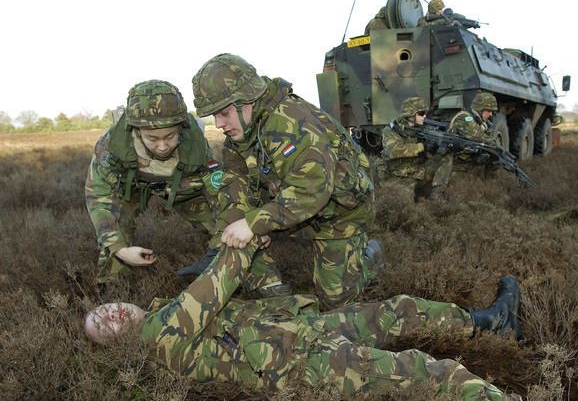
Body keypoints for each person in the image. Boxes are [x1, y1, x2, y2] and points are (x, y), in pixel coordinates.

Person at [84, 239, 523, 400]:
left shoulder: (163, 311)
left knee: (397, 310)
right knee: (428, 373)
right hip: (303, 363)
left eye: (104, 309)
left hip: (303, 332)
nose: (111, 314)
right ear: (119, 344)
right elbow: (219, 281)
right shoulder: (162, 333)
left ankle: (490, 322)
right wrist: (244, 236)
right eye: (104, 326)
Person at [191, 53, 379, 309]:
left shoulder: (290, 122)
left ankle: (368, 256)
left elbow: (311, 190)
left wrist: (255, 223)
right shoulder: (240, 136)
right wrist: (222, 242)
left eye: (223, 113)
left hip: (340, 211)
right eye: (213, 116)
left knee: (335, 303)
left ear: (247, 99)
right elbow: (235, 187)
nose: (219, 124)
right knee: (245, 236)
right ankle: (276, 291)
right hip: (290, 205)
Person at [85, 79, 231, 284]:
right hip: (131, 186)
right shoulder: (112, 145)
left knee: (227, 227)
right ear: (135, 130)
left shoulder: (196, 146)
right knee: (115, 228)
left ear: (181, 128)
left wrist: (223, 237)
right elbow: (98, 195)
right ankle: (113, 288)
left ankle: (229, 275)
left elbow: (218, 194)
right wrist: (120, 248)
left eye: (170, 136)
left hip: (183, 186)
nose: (162, 146)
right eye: (152, 139)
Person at [379, 96, 453, 202]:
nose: (424, 116)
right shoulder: (391, 130)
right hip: (400, 176)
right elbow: (394, 151)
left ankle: (437, 193)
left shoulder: (422, 128)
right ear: (410, 114)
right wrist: (422, 146)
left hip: (419, 172)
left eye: (425, 113)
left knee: (445, 156)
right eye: (421, 113)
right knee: (404, 204)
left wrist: (435, 146)